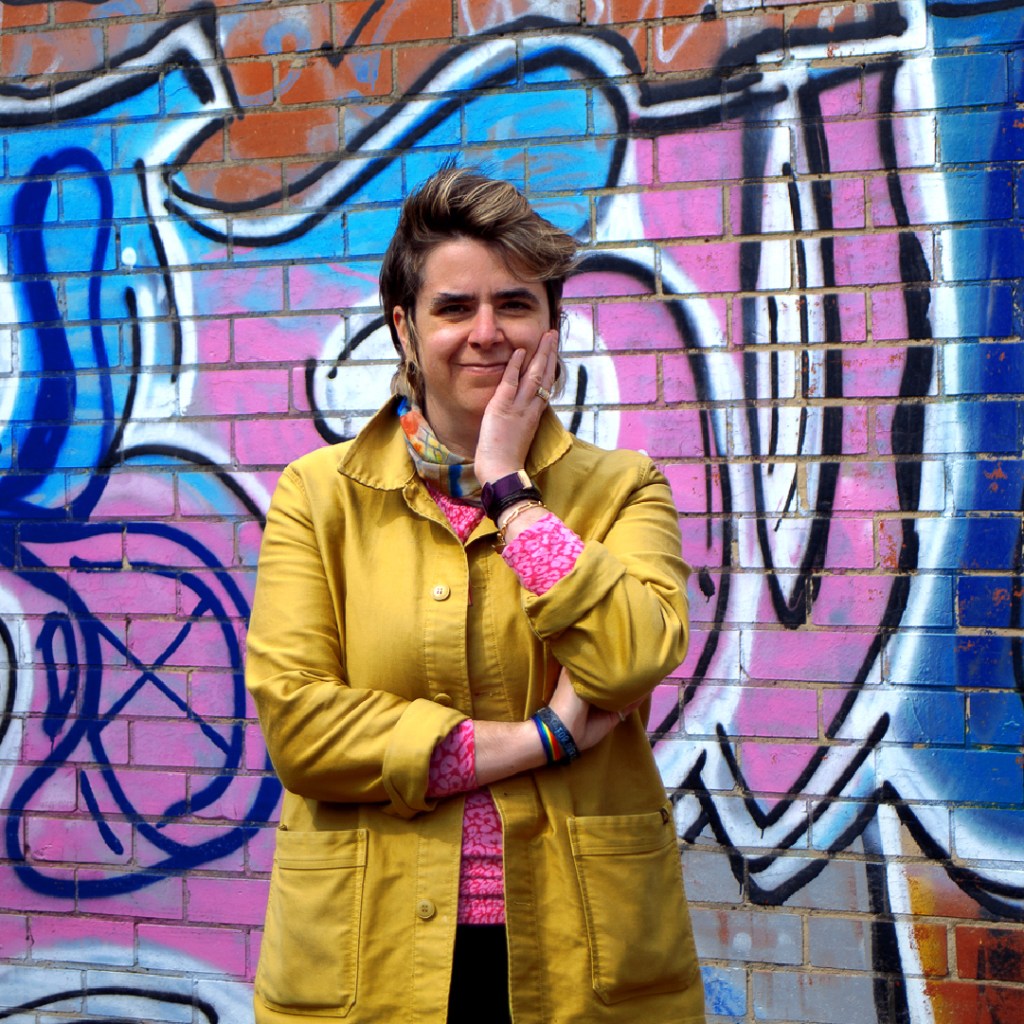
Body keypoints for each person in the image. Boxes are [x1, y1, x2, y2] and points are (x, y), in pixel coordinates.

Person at [245, 166, 706, 1024]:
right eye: (454, 308)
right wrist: (547, 736)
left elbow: (634, 657)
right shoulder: (318, 496)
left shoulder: (623, 488)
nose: (487, 334)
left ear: (553, 326)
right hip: (371, 951)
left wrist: (509, 487)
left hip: (579, 952)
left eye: (516, 306)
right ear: (405, 329)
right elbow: (302, 731)